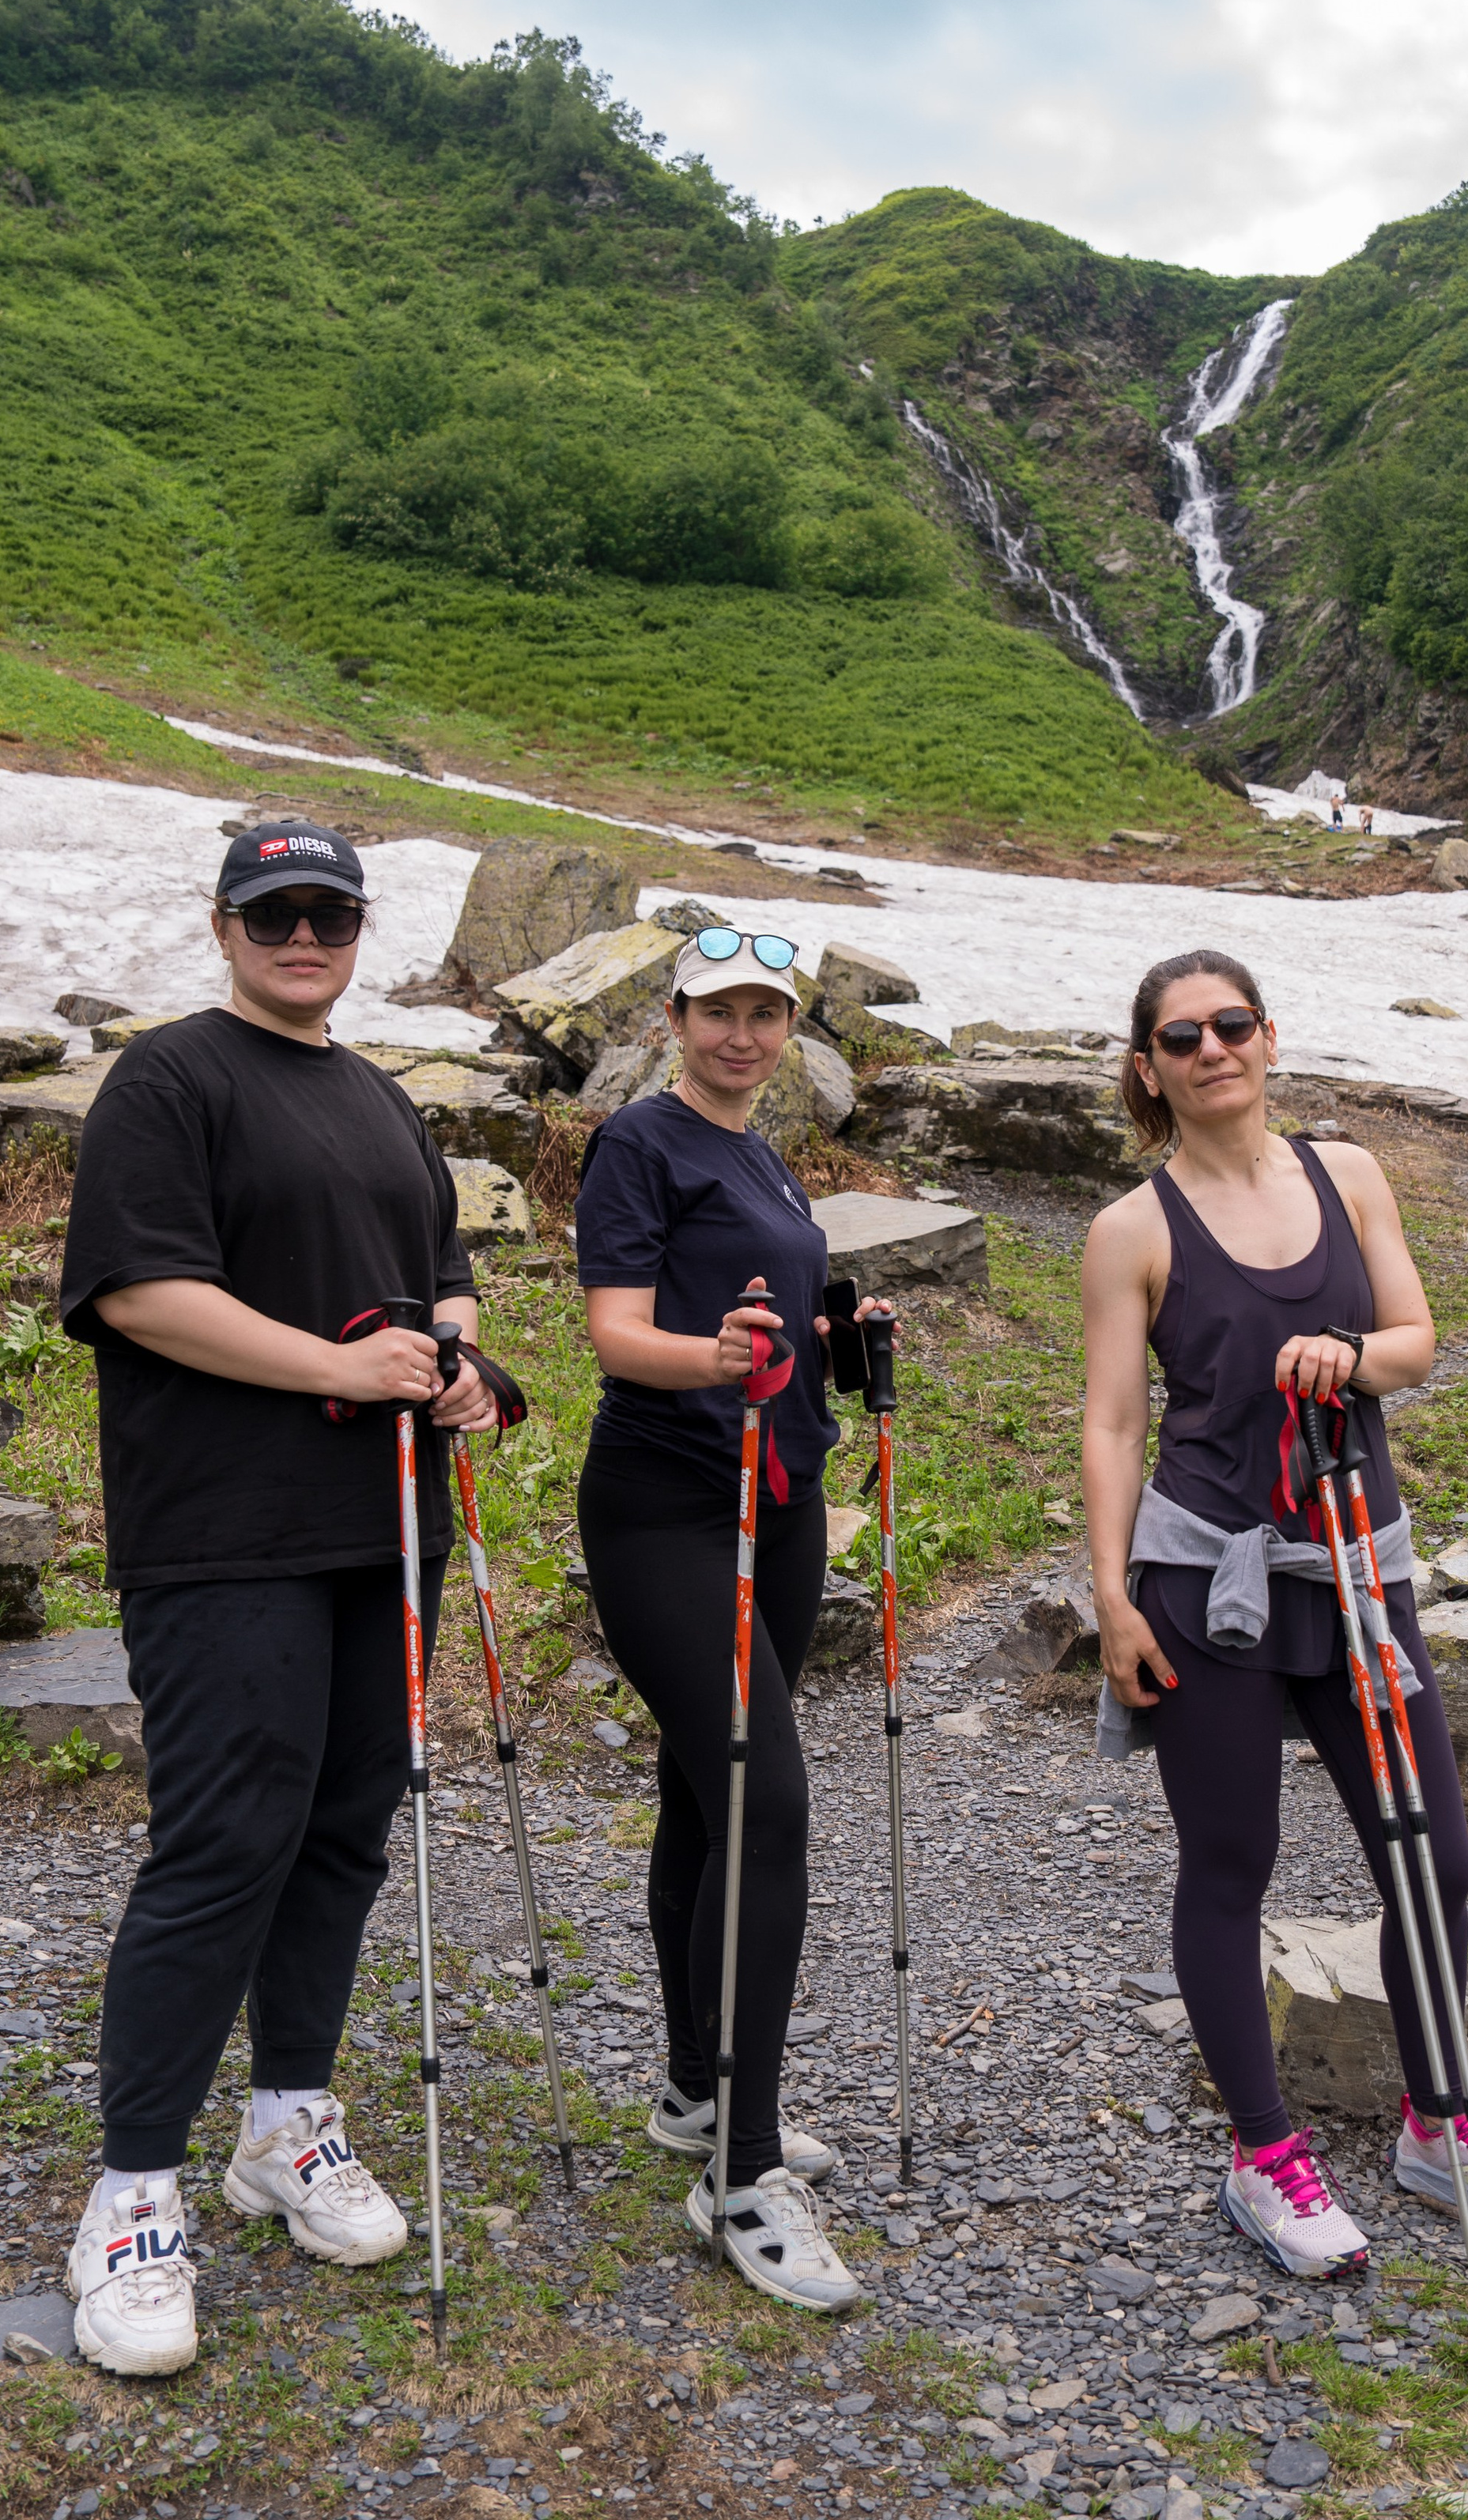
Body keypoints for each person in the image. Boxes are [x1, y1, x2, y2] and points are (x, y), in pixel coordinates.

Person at [55, 821, 500, 2375]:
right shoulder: (168, 1081)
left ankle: (285, 2120)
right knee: (225, 1834)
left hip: (381, 1529)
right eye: (274, 911)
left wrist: (456, 1364)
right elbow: (133, 1288)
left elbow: (436, 1267)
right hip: (222, 1530)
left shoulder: (378, 1094)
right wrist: (330, 1366)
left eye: (325, 912)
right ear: (228, 922)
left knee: (338, 1825)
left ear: (359, 927)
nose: (301, 933)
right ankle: (131, 2193)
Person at [1080, 947, 1468, 2277]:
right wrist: (1114, 1593)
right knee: (1230, 1866)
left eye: (1231, 1023)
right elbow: (1118, 1420)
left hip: (1358, 1567)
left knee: (1436, 1855)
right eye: (1181, 1037)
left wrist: (1350, 1356)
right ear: (1150, 1068)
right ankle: (1264, 2155)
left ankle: (1440, 2120)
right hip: (1211, 1586)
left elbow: (1413, 1337)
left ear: (1268, 1036)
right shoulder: (1133, 1229)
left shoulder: (1345, 1173)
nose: (1211, 1049)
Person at [574, 926, 870, 2313]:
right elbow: (621, 1329)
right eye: (719, 1011)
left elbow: (770, 1294)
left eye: (768, 1013)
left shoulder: (763, 1151)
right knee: (766, 1796)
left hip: (782, 1489)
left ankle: (699, 2092)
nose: (743, 1035)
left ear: (791, 1028)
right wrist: (718, 1359)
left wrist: (837, 1330)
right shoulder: (640, 1141)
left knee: (708, 1793)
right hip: (669, 1500)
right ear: (673, 1015)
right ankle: (741, 2173)